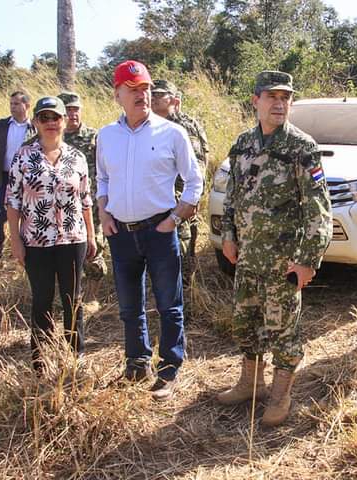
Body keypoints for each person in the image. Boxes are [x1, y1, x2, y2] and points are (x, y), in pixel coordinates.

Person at [217, 70, 332, 427]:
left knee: (283, 330)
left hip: (284, 260)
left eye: (285, 98)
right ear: (256, 101)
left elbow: (319, 207)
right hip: (249, 256)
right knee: (246, 322)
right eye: (272, 97)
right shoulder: (242, 145)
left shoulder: (302, 147)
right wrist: (228, 235)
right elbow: (233, 196)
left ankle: (280, 396)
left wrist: (308, 259)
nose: (279, 104)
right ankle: (251, 382)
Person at [96, 60, 203, 400]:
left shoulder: (171, 132)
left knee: (169, 304)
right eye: (133, 90)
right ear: (118, 95)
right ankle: (136, 363)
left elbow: (194, 180)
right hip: (121, 234)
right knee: (130, 306)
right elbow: (102, 178)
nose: (142, 95)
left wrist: (174, 219)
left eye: (145, 89)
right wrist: (103, 212)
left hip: (159, 232)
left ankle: (169, 369)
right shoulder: (106, 136)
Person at [6, 96, 96, 371]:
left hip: (73, 239)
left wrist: (91, 236)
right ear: (35, 123)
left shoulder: (77, 157)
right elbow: (12, 201)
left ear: (64, 121)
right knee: (43, 299)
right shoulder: (24, 156)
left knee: (73, 299)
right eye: (43, 118)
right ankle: (41, 361)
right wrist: (16, 240)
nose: (50, 123)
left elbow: (85, 200)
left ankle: (75, 357)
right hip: (36, 241)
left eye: (54, 118)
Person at [150, 79, 209, 287]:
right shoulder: (148, 126)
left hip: (180, 205)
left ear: (174, 99)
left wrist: (188, 202)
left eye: (159, 95)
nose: (153, 98)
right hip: (156, 205)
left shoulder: (184, 126)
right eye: (151, 94)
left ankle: (185, 310)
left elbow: (198, 170)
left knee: (182, 263)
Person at [57, 91, 108, 291]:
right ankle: (69, 291)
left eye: (76, 109)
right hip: (60, 205)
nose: (73, 114)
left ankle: (92, 293)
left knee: (94, 245)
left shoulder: (94, 137)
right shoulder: (51, 137)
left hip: (91, 203)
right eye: (68, 110)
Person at [0, 91, 36, 259]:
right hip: (5, 179)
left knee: (30, 218)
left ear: (27, 106)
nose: (12, 107)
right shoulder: (0, 126)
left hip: (29, 180)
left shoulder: (35, 127)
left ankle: (27, 255)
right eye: (11, 103)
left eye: (16, 104)